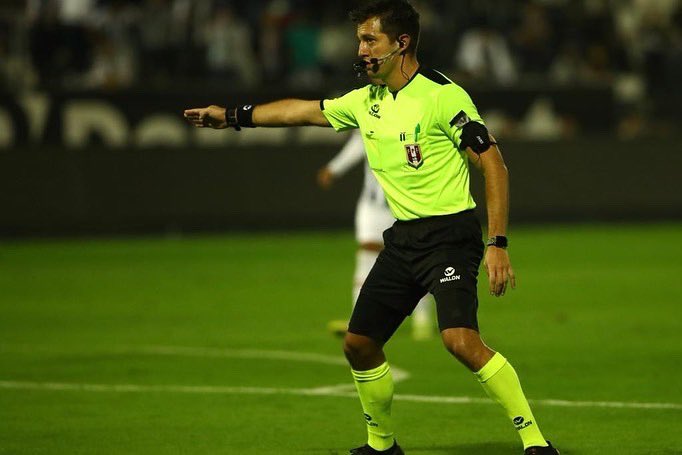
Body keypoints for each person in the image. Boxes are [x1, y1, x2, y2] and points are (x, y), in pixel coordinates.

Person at [184, 1, 559, 453]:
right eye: (359, 40)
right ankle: (381, 445)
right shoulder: (366, 101)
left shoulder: (443, 96)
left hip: (450, 238)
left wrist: (497, 243)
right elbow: (299, 112)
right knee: (358, 344)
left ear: (401, 43)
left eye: (369, 40)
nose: (360, 49)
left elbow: (494, 165)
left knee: (460, 341)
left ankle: (535, 441)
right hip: (403, 241)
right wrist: (231, 117)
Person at [318, 130, 435, 341]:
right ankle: (358, 321)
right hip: (372, 205)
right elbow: (357, 144)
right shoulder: (371, 119)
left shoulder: (415, 124)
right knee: (367, 254)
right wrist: (334, 168)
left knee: (416, 257)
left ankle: (422, 319)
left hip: (406, 203)